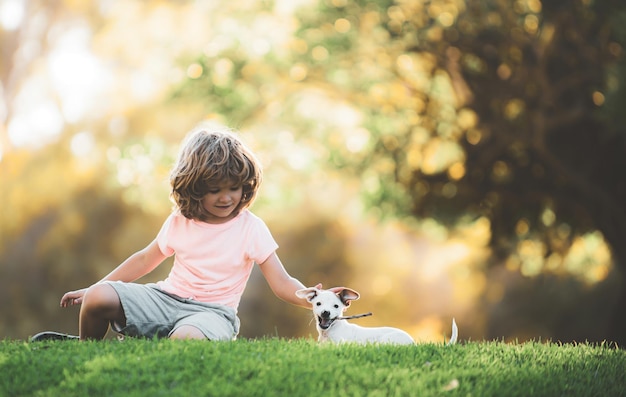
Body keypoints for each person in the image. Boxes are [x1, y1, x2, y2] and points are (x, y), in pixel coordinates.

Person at [33, 124, 315, 341]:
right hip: (165, 299)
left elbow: (282, 282)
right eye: (214, 190)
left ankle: (168, 337)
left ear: (246, 185)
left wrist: (314, 299)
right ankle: (85, 349)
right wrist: (92, 288)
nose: (226, 197)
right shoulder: (181, 220)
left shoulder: (251, 228)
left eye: (234, 187)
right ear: (194, 188)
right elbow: (144, 260)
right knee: (98, 297)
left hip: (212, 314)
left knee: (185, 338)